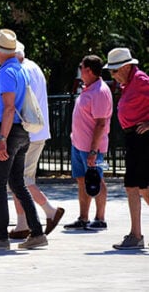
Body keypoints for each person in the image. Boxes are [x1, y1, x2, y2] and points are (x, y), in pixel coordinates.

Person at [0, 29, 46, 250]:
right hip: (22, 132)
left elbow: (8, 109)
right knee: (18, 183)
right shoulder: (20, 69)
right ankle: (37, 233)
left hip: (10, 131)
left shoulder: (6, 72)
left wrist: (2, 139)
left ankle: (0, 237)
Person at [8, 46, 64, 238]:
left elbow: (16, 101)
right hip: (36, 132)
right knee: (19, 180)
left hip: (28, 133)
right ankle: (22, 224)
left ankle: (49, 211)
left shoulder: (22, 70)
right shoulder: (34, 67)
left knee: (20, 180)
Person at [104, 48, 149, 250]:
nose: (112, 75)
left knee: (134, 186)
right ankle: (135, 234)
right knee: (142, 187)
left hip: (143, 138)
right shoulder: (129, 83)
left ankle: (135, 235)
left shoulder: (141, 80)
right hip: (134, 138)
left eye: (114, 70)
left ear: (126, 66)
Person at [64, 55, 111, 231]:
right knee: (83, 180)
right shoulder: (88, 89)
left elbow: (100, 123)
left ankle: (100, 218)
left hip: (93, 148)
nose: (80, 70)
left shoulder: (100, 91)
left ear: (89, 70)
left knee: (97, 179)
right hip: (78, 144)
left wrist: (93, 151)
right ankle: (83, 218)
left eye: (81, 67)